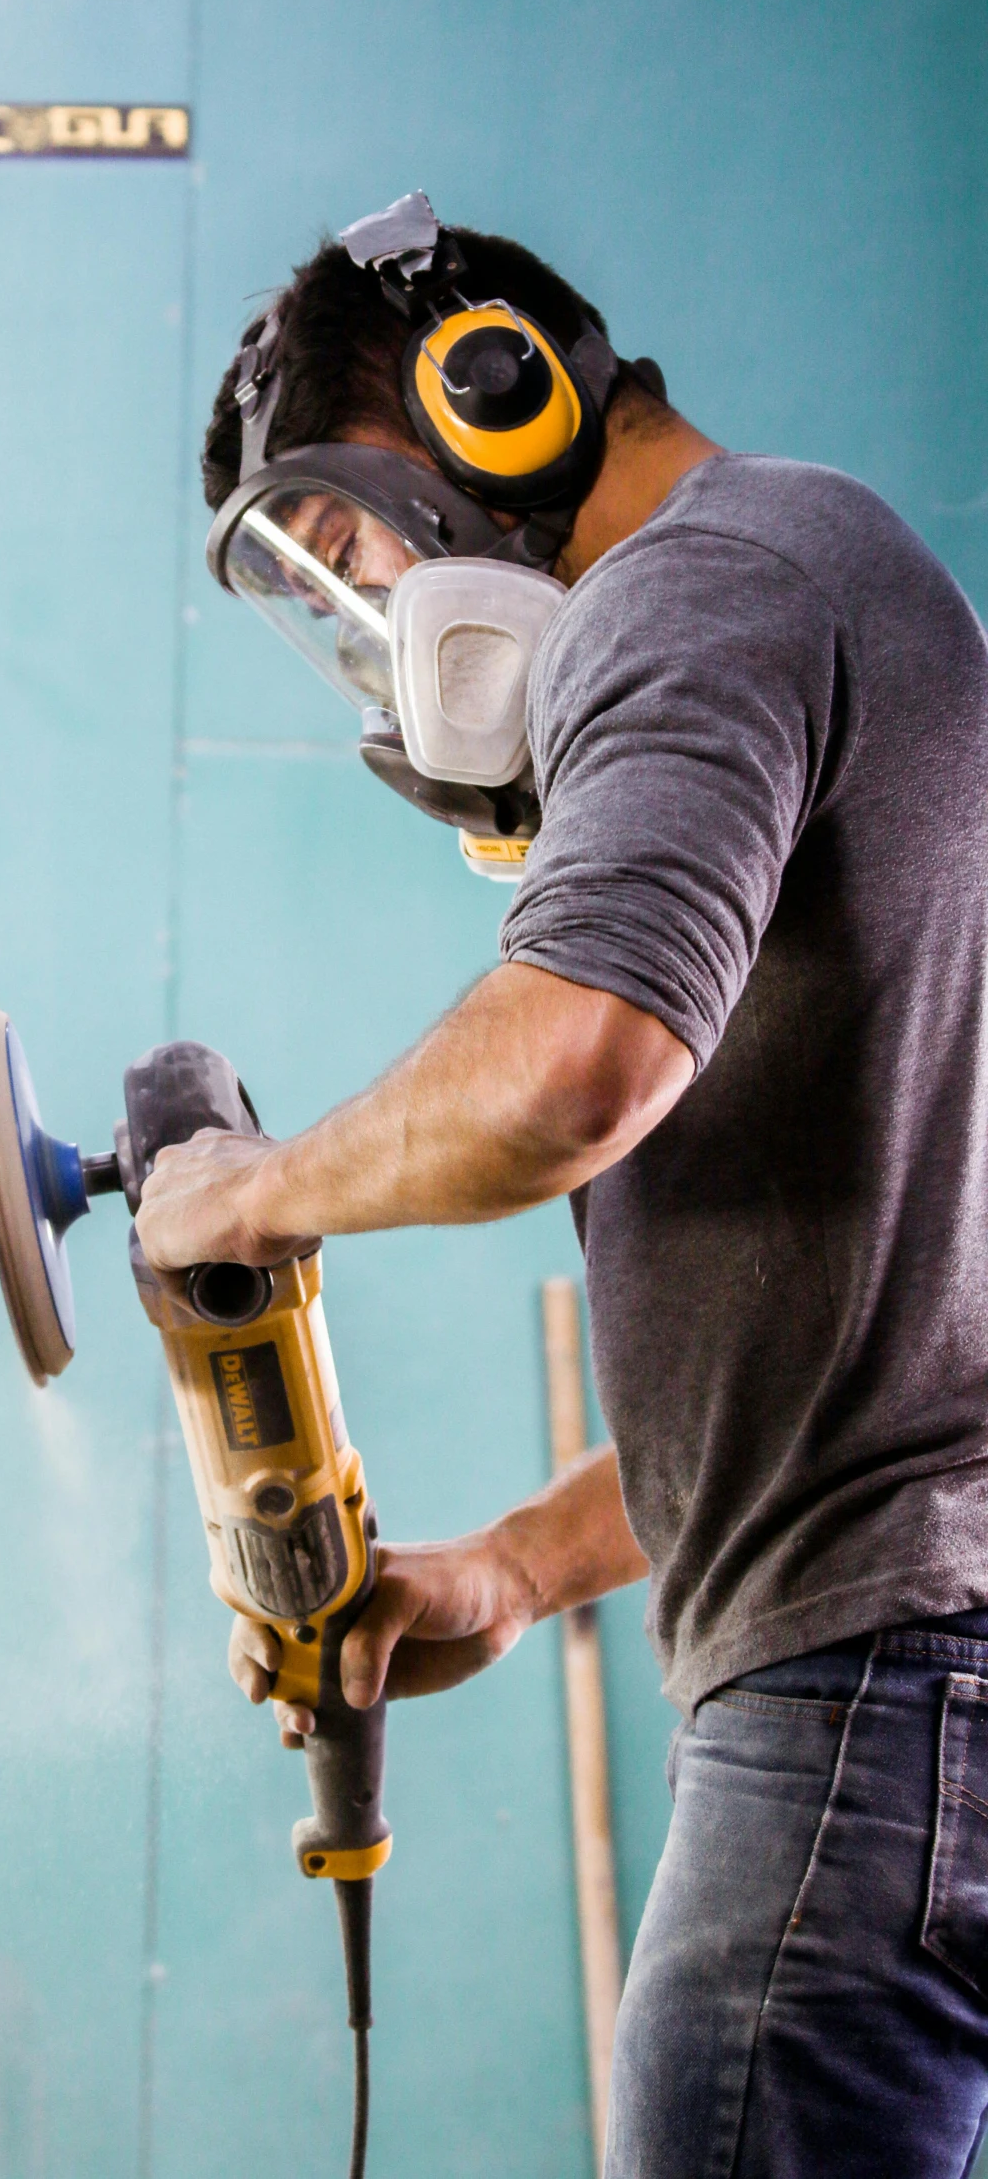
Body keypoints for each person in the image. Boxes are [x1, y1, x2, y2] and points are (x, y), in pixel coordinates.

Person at [134, 194, 988, 2176]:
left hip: (860, 1713)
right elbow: (875, 1339)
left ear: (489, 396)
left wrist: (258, 1192)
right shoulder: (830, 568)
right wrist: (520, 1560)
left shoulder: (695, 586)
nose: (370, 646)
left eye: (351, 557)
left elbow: (575, 1062)